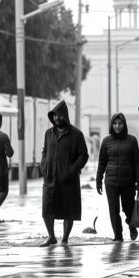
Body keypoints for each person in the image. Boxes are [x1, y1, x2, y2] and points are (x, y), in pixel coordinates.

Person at [40, 100, 88, 247]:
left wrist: (71, 170)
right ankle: (51, 236)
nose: (56, 118)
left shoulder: (76, 135)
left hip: (68, 180)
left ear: (65, 116)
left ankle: (65, 239)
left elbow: (83, 155)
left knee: (68, 210)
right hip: (50, 178)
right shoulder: (49, 133)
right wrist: (44, 165)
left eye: (59, 116)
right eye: (54, 116)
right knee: (46, 209)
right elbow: (45, 151)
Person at [96, 113, 139, 242]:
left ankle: (131, 225)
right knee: (113, 209)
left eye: (120, 123)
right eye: (115, 123)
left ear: (124, 124)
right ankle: (118, 236)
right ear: (112, 125)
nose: (117, 126)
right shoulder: (106, 141)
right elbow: (101, 162)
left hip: (128, 181)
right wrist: (98, 180)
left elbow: (137, 162)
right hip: (111, 181)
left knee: (128, 207)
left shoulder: (132, 140)